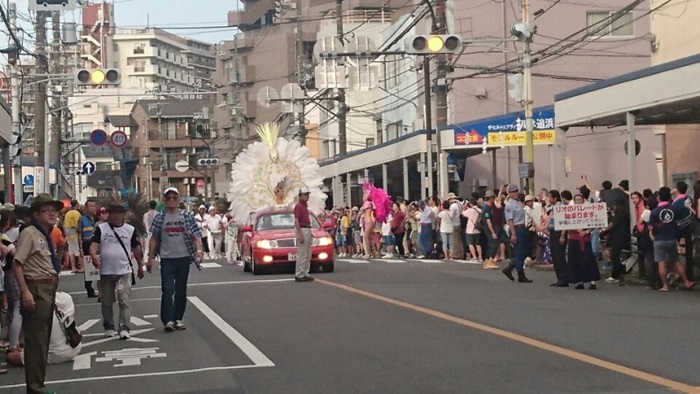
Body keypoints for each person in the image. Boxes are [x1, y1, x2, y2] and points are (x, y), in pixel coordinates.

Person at [12, 193, 63, 394]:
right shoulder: (30, 233)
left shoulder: (44, 234)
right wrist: (25, 292)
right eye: (46, 211)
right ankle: (35, 389)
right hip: (36, 288)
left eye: (54, 210)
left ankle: (38, 386)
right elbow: (18, 263)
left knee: (43, 341)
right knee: (37, 343)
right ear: (36, 214)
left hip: (47, 288)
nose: (52, 214)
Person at [149, 187, 204, 332]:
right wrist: (149, 258)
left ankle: (178, 318)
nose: (172, 200)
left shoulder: (186, 216)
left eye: (174, 198)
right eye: (169, 198)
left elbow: (196, 235)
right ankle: (168, 320)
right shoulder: (160, 217)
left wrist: (199, 251)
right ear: (165, 201)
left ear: (178, 200)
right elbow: (154, 238)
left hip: (183, 257)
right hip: (167, 258)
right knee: (167, 289)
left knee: (181, 289)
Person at [90, 201, 144, 340]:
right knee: (106, 301)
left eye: (119, 213)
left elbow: (136, 248)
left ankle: (124, 327)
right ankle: (108, 326)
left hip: (124, 270)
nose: (116, 216)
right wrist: (93, 255)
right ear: (109, 214)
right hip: (106, 271)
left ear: (123, 215)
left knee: (124, 300)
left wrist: (140, 265)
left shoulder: (129, 230)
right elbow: (94, 243)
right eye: (113, 213)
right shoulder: (101, 228)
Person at [6, 291, 81, 367]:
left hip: (57, 353)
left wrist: (20, 344)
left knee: (11, 356)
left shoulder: (37, 309)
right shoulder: (66, 298)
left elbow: (33, 339)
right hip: (75, 346)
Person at [649, 187, 695, 292]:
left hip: (659, 239)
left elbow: (650, 227)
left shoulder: (655, 211)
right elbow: (678, 221)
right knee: (676, 261)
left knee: (661, 262)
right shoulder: (674, 209)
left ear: (659, 197)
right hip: (671, 238)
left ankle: (665, 286)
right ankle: (687, 282)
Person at [502, 185, 532, 283]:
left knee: (525, 251)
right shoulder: (509, 205)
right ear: (509, 193)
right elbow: (510, 220)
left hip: (523, 227)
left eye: (516, 191)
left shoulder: (518, 202)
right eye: (513, 191)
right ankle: (520, 273)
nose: (516, 193)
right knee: (519, 252)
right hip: (516, 228)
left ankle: (510, 267)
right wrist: (513, 234)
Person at [78, 199, 98, 298]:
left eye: (94, 206)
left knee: (99, 266)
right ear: (86, 207)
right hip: (86, 244)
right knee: (89, 268)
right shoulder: (82, 219)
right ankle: (89, 289)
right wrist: (80, 248)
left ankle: (101, 289)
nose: (92, 208)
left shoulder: (97, 218)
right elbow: (79, 234)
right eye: (90, 206)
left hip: (97, 245)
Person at [294, 187, 314, 282]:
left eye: (308, 194)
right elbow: (296, 220)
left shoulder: (305, 206)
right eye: (305, 194)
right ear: (300, 196)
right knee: (302, 253)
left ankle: (305, 272)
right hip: (302, 228)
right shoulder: (298, 206)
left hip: (307, 228)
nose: (307, 196)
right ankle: (299, 274)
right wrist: (300, 234)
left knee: (307, 253)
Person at [63, 200, 81, 273]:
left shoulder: (67, 213)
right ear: (76, 205)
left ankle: (73, 267)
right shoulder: (76, 213)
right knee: (78, 251)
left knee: (71, 252)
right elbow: (78, 224)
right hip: (75, 233)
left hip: (68, 234)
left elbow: (64, 224)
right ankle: (80, 266)